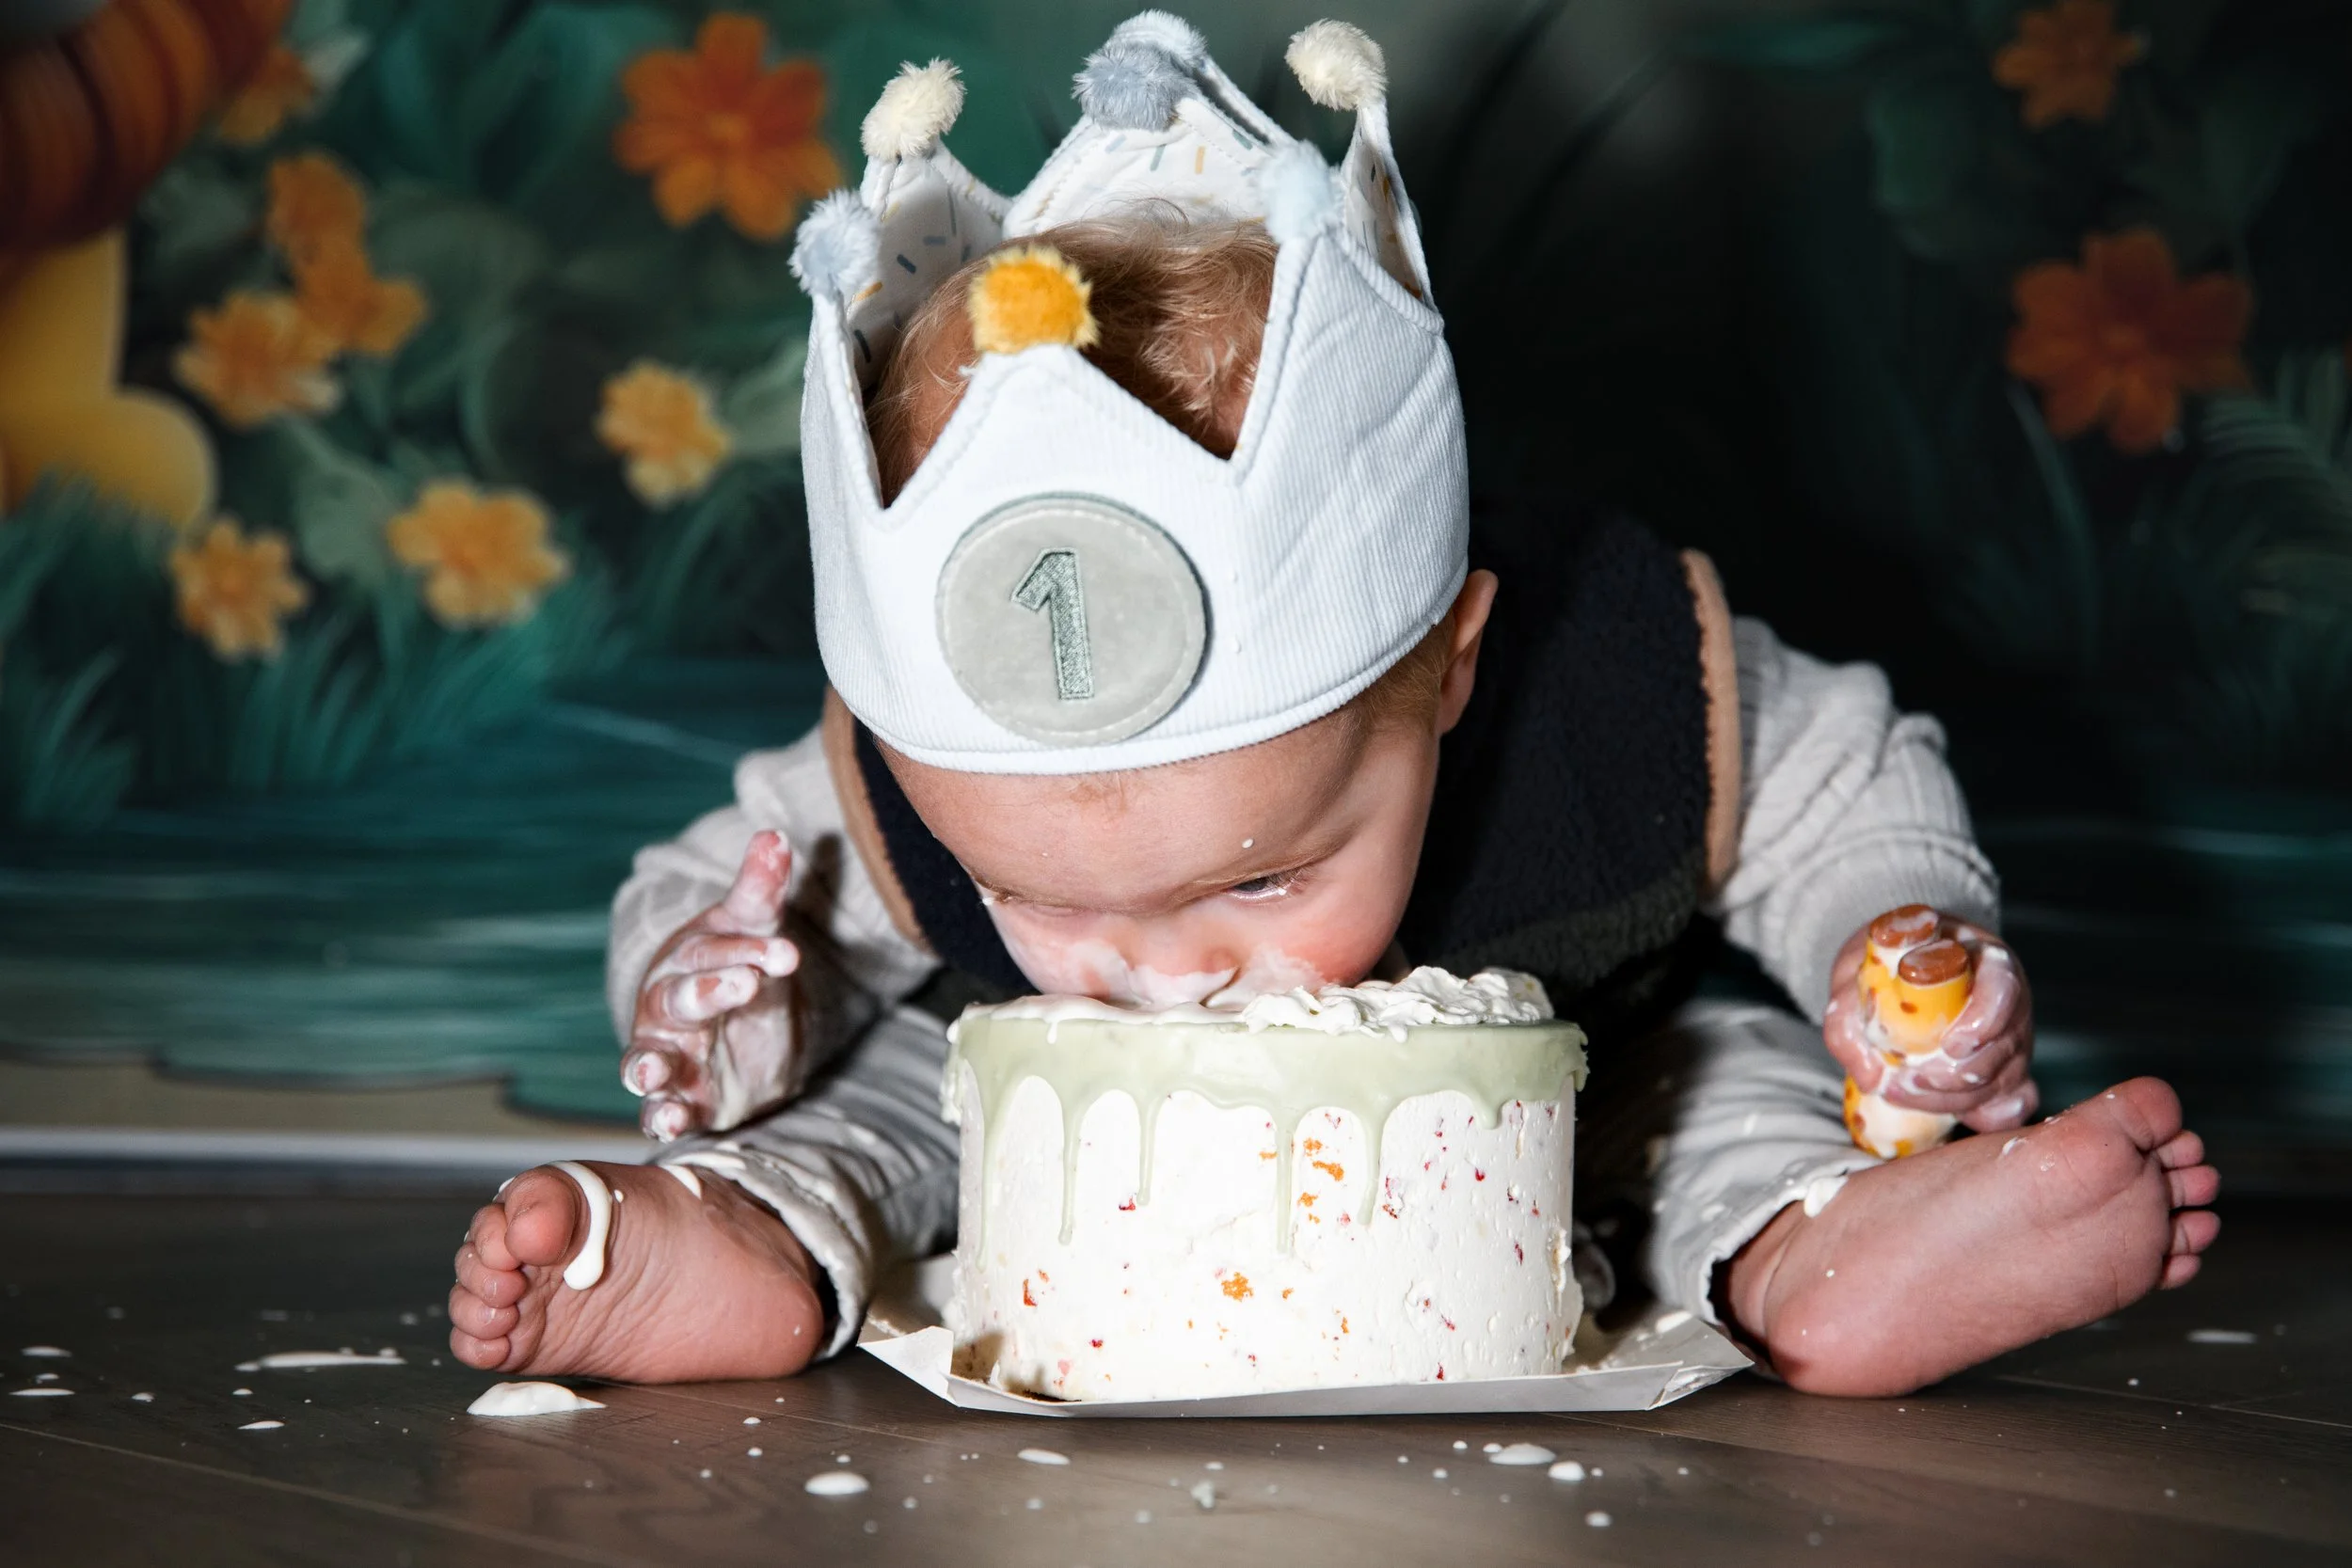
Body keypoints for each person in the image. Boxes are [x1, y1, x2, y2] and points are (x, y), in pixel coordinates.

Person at [447, 16, 2217, 1399]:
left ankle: (1835, 1253)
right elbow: (728, 888)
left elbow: (1839, 773)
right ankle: (726, 1242)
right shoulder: (920, 774)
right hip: (1056, 1149)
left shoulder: (1613, 673)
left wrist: (1896, 936)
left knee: (1717, 1094)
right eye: (1049, 895)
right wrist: (717, 999)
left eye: (1258, 876)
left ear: (1447, 667)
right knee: (886, 1099)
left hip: (1575, 1085)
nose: (1162, 971)